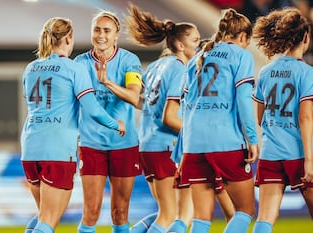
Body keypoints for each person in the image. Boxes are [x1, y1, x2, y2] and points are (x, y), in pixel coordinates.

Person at [20, 17, 126, 233]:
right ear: (69, 38)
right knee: (49, 220)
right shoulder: (73, 68)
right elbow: (93, 109)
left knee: (44, 216)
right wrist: (115, 124)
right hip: (57, 149)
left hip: (30, 148)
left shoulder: (30, 68)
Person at [181, 8, 259, 233]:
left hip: (193, 145)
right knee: (245, 210)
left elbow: (185, 108)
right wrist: (252, 139)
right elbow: (244, 100)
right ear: (243, 37)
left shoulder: (197, 58)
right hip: (226, 141)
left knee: (201, 219)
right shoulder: (241, 55)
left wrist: (183, 150)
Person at [125, 3, 200, 233]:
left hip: (147, 145)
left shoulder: (156, 66)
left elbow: (142, 101)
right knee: (174, 216)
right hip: (167, 146)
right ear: (180, 44)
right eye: (196, 41)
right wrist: (196, 134)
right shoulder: (179, 68)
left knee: (165, 212)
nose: (199, 46)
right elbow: (170, 117)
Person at [74, 10, 143, 233]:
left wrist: (107, 82)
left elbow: (134, 96)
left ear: (116, 35)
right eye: (97, 30)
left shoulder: (129, 61)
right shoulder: (80, 63)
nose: (101, 35)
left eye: (106, 30)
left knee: (120, 212)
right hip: (91, 143)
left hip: (124, 143)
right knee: (91, 211)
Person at [251, 8, 313, 233]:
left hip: (270, 153)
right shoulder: (307, 73)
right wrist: (310, 161)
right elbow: (305, 117)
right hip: (299, 154)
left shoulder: (266, 72)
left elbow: (260, 118)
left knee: (265, 219)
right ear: (305, 38)